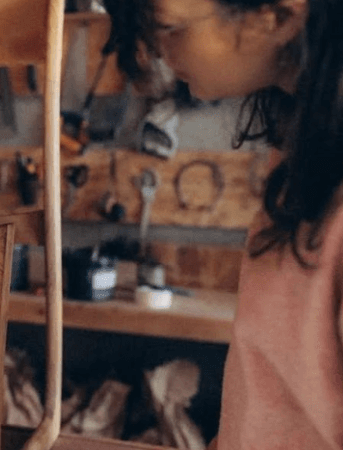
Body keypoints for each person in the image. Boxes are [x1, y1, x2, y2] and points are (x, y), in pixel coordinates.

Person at [103, 0, 343, 448]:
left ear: (275, 17)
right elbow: (276, 399)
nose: (153, 51)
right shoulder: (298, 163)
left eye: (168, 27)